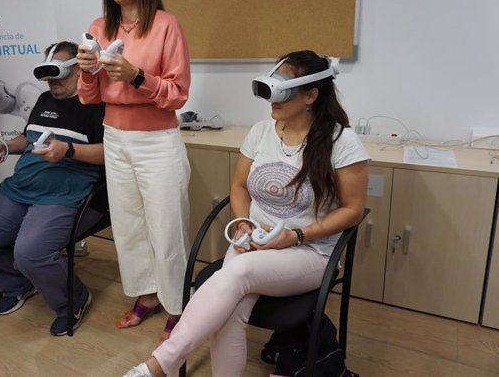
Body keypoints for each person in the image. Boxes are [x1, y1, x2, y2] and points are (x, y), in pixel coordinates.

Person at [124, 50, 370, 377]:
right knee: (228, 317)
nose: (272, 100)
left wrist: (295, 235)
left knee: (237, 274)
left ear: (311, 94)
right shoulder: (260, 132)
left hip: (309, 251)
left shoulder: (342, 142)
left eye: (283, 92)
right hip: (253, 240)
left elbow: (353, 210)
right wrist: (243, 224)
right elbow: (239, 187)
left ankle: (158, 366)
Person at [76, 0, 191, 342]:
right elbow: (88, 97)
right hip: (115, 137)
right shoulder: (98, 28)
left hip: (157, 141)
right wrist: (88, 71)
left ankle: (178, 306)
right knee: (128, 226)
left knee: (166, 228)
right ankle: (147, 295)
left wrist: (136, 76)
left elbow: (177, 94)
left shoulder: (166, 24)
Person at [0, 41, 105, 336]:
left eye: (59, 76)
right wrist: (5, 145)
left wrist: (69, 151)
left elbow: (111, 153)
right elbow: (28, 138)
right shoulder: (44, 100)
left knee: (30, 252)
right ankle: (18, 283)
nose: (53, 84)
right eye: (48, 78)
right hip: (21, 187)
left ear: (78, 70)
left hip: (63, 194)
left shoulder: (98, 105)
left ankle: (73, 299)